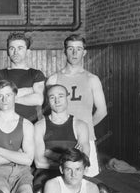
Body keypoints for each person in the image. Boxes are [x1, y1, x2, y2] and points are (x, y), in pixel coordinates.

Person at [46, 34, 108, 177]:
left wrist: (85, 129)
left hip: (84, 139)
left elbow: (102, 111)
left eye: (78, 49)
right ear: (64, 51)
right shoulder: (54, 79)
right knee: (59, 176)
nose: (74, 53)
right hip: (59, 137)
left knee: (86, 178)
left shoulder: (92, 79)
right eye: (70, 49)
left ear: (84, 52)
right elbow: (47, 110)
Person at [33, 84, 90, 188]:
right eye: (52, 97)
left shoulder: (80, 125)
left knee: (101, 190)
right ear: (48, 101)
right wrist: (71, 163)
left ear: (67, 98)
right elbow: (39, 163)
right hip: (45, 174)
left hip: (74, 176)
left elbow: (84, 162)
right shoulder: (39, 126)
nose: (57, 101)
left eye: (60, 96)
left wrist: (51, 154)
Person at [0, 32, 45, 123]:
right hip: (3, 124)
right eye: (12, 48)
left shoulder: (36, 74)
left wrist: (8, 96)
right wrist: (30, 90)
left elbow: (39, 100)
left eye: (20, 48)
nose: (15, 52)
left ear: (28, 52)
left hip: (29, 124)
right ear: (8, 51)